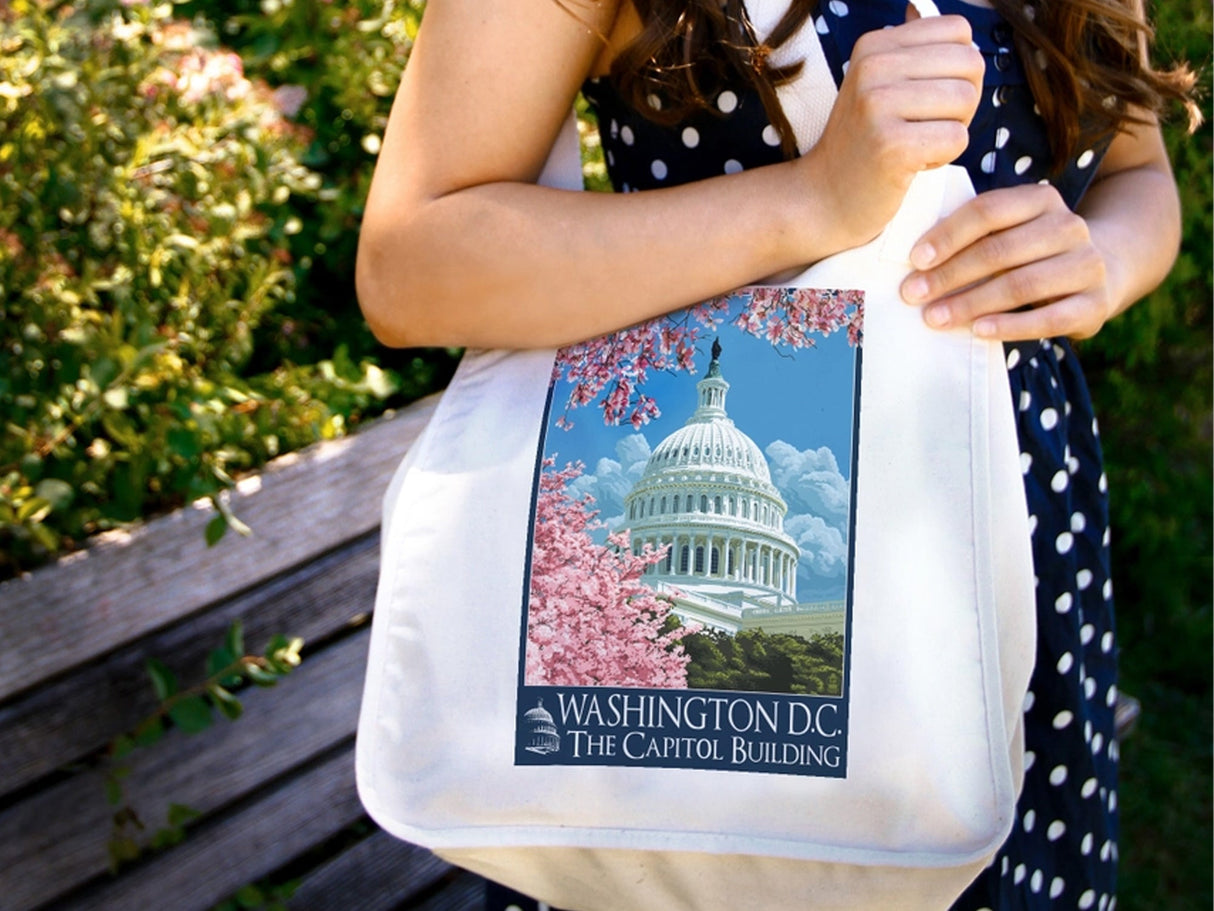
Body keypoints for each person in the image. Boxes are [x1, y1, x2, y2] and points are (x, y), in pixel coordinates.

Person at [355, 0, 1197, 908]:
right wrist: (811, 202)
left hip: (1032, 550)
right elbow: (409, 264)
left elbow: (1137, 173)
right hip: (778, 653)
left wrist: (1100, 263)